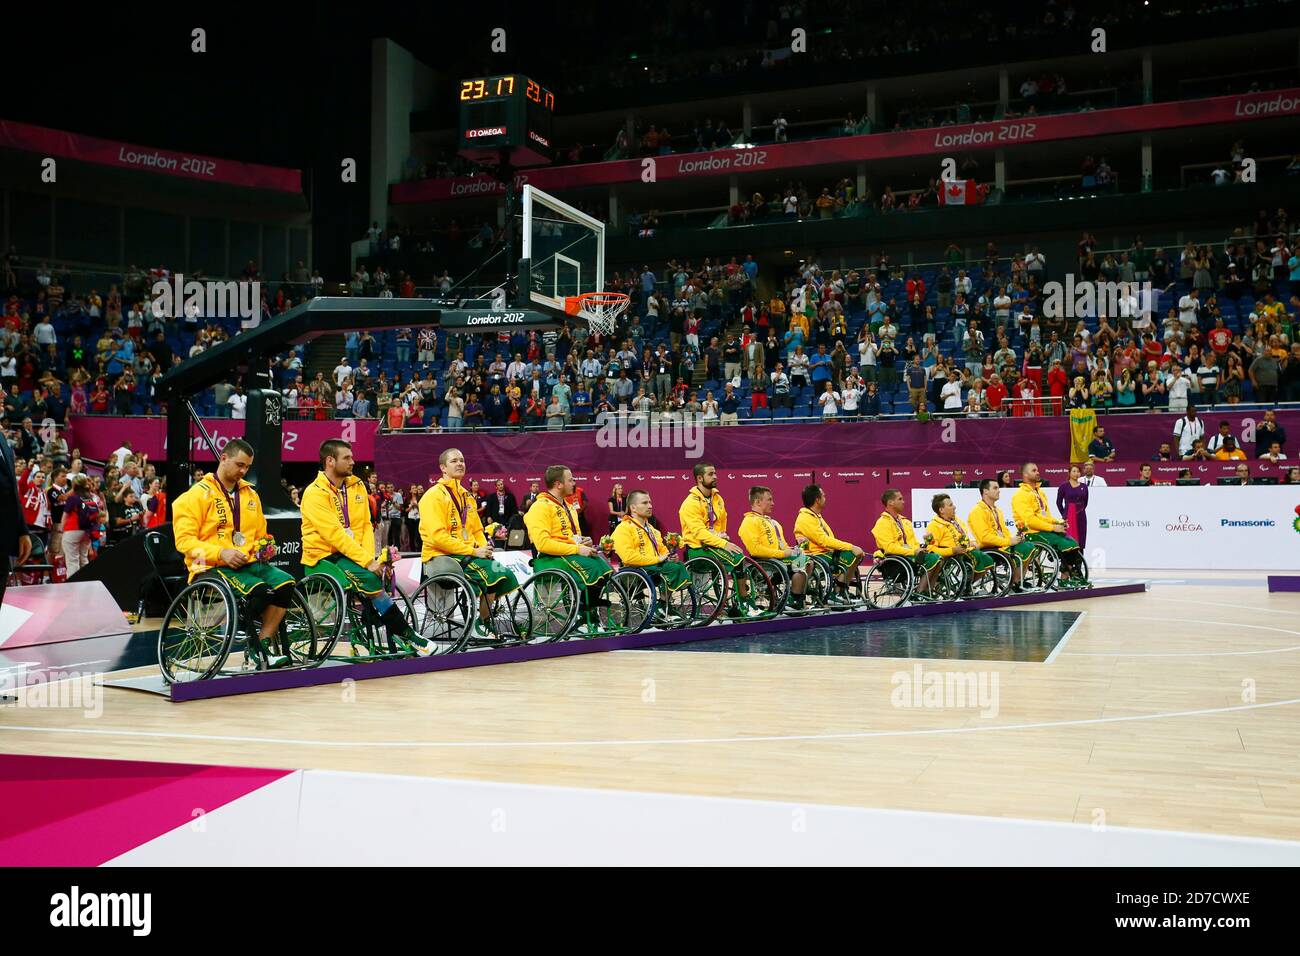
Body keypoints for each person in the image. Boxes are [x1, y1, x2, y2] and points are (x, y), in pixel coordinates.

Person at [171, 439, 296, 668]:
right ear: (224, 458)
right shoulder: (195, 495)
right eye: (239, 465)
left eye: (247, 467)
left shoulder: (250, 495)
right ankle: (257, 646)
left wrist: (264, 547)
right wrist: (222, 553)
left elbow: (261, 534)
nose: (243, 471)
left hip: (247, 564)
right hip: (210, 567)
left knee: (286, 584)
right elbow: (184, 541)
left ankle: (263, 644)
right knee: (258, 590)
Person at [300, 439, 424, 650]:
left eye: (352, 456)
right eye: (346, 458)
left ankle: (384, 626)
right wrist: (367, 562)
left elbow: (366, 526)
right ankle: (407, 635)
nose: (352, 461)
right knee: (370, 579)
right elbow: (335, 535)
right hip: (322, 557)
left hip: (351, 555)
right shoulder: (314, 493)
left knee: (375, 576)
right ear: (330, 461)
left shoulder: (357, 486)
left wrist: (371, 558)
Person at [419, 448, 519, 636]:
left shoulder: (467, 496)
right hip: (440, 556)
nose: (459, 464)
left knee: (501, 571)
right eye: (454, 461)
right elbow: (437, 537)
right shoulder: (433, 496)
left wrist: (484, 548)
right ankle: (474, 624)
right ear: (443, 468)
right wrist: (473, 551)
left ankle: (483, 621)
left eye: (462, 460)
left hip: (466, 554)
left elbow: (476, 530)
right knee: (487, 573)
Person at [524, 465, 613, 633]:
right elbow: (542, 544)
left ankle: (588, 611)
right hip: (549, 556)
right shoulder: (540, 506)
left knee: (603, 566)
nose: (574, 482)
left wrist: (583, 541)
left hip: (569, 553)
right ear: (558, 484)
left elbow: (574, 536)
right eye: (570, 480)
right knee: (592, 567)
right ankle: (583, 614)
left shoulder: (569, 506)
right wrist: (577, 550)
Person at [678, 461, 756, 613]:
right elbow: (699, 533)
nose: (715, 476)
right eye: (710, 474)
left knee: (740, 558)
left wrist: (722, 537)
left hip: (713, 545)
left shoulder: (717, 498)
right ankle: (745, 603)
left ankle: (739, 602)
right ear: (700, 478)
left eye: (715, 473)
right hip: (697, 548)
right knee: (737, 559)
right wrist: (723, 544)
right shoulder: (690, 503)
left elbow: (721, 521)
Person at [612, 490, 692, 607]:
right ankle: (663, 604)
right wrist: (658, 559)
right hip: (634, 572)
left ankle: (664, 602)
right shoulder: (623, 528)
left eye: (650, 502)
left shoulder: (652, 529)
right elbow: (628, 557)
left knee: (678, 565)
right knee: (671, 568)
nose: (650, 506)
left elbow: (662, 549)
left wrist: (670, 556)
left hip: (653, 568)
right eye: (644, 503)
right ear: (633, 508)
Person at [1012, 462, 1086, 585]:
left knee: (1073, 542)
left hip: (1044, 530)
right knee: (1064, 544)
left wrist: (1059, 522)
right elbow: (1030, 521)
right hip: (1031, 532)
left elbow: (1044, 516)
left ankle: (1066, 577)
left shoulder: (1040, 493)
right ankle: (1067, 577)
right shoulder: (1020, 495)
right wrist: (1053, 527)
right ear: (1025, 474)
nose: (1038, 472)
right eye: (1034, 470)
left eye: (1037, 470)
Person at [738, 485, 809, 611]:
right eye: (769, 500)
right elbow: (755, 550)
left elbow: (783, 545)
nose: (773, 503)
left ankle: (797, 598)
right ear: (758, 502)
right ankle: (793, 599)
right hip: (765, 564)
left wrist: (793, 550)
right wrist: (783, 554)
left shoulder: (773, 522)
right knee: (799, 567)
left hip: (777, 560)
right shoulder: (749, 521)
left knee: (807, 560)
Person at [794, 483, 865, 602]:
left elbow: (828, 539)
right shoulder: (805, 518)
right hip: (815, 555)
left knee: (858, 554)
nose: (825, 498)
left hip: (825, 553)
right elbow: (824, 541)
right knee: (852, 554)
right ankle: (837, 593)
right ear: (817, 500)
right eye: (823, 495)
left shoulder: (816, 516)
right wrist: (851, 547)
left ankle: (841, 590)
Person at [968, 478, 1033, 591]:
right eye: (995, 488)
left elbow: (1003, 531)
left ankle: (1018, 581)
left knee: (1029, 545)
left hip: (1001, 545)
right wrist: (1008, 541)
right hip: (990, 548)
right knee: (1024, 548)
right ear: (985, 491)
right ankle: (1015, 583)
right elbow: (984, 538)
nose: (999, 491)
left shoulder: (997, 510)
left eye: (998, 488)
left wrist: (1014, 538)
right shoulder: (977, 511)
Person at [871, 489, 938, 596]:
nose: (903, 501)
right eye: (900, 499)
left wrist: (923, 548)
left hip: (910, 555)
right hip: (897, 559)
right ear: (890, 502)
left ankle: (928, 590)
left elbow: (913, 543)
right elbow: (889, 548)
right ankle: (920, 592)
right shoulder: (882, 523)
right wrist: (913, 552)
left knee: (938, 558)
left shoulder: (905, 521)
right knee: (934, 559)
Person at [927, 493, 995, 584]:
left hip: (964, 550)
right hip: (952, 555)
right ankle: (966, 587)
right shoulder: (934, 526)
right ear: (941, 510)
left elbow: (963, 538)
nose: (954, 507)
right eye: (950, 505)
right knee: (977, 556)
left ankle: (967, 585)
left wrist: (972, 543)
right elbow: (931, 549)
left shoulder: (956, 521)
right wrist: (953, 550)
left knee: (988, 560)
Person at [1056, 464, 1090, 549]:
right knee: (1069, 538)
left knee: (1081, 537)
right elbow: (1058, 503)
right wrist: (1065, 515)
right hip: (1068, 515)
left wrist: (1079, 510)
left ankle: (1079, 561)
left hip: (1081, 515)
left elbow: (1085, 502)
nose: (1076, 473)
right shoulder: (1064, 486)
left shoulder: (1084, 486)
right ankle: (1068, 561)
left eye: (1078, 471)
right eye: (1074, 471)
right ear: (1069, 473)